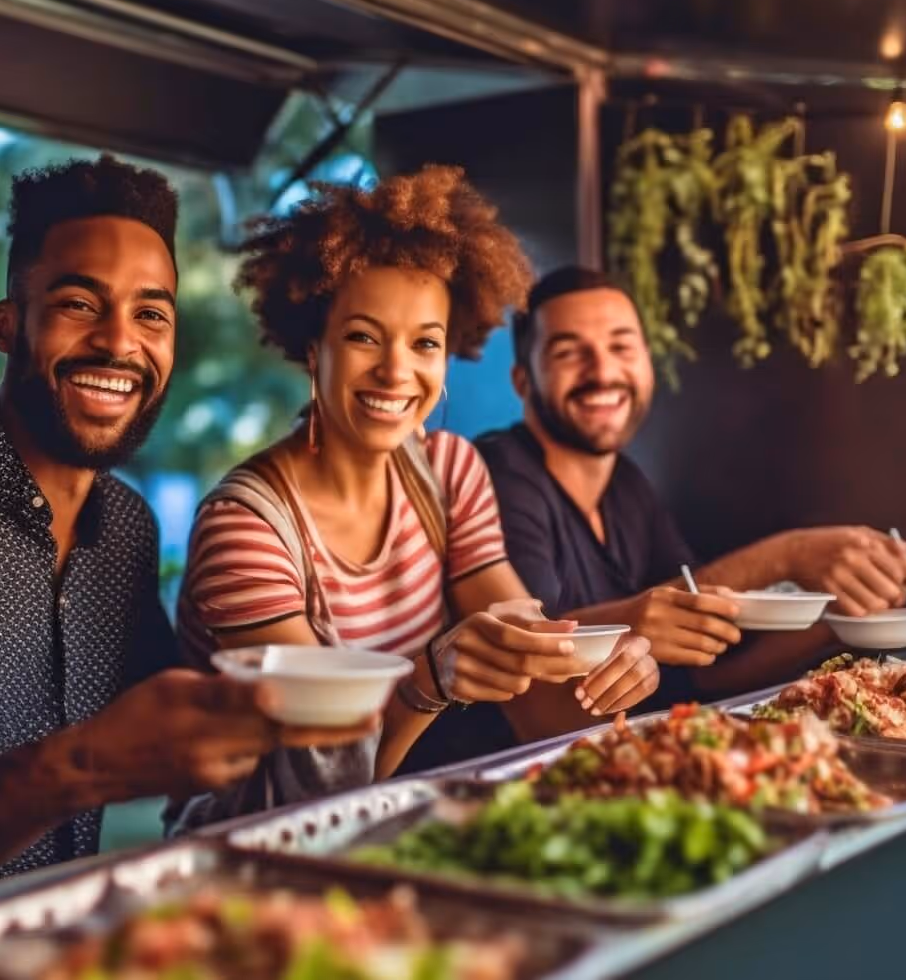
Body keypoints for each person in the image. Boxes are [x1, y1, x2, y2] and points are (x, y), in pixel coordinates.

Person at [0, 155, 375, 905]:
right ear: (9, 324)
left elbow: (185, 726)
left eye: (151, 314)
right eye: (78, 303)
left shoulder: (126, 526)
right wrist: (86, 765)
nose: (119, 343)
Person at [175, 166, 660, 811]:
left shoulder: (450, 472)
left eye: (424, 343)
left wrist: (614, 674)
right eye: (362, 337)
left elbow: (530, 672)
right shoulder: (247, 528)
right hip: (256, 854)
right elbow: (315, 780)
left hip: (399, 826)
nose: (396, 371)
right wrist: (427, 681)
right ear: (312, 347)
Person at [479, 266, 906, 700]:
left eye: (621, 347)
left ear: (648, 365)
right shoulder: (497, 476)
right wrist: (789, 555)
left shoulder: (626, 486)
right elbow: (536, 672)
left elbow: (703, 673)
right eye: (569, 353)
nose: (603, 372)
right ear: (523, 381)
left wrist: (843, 623)